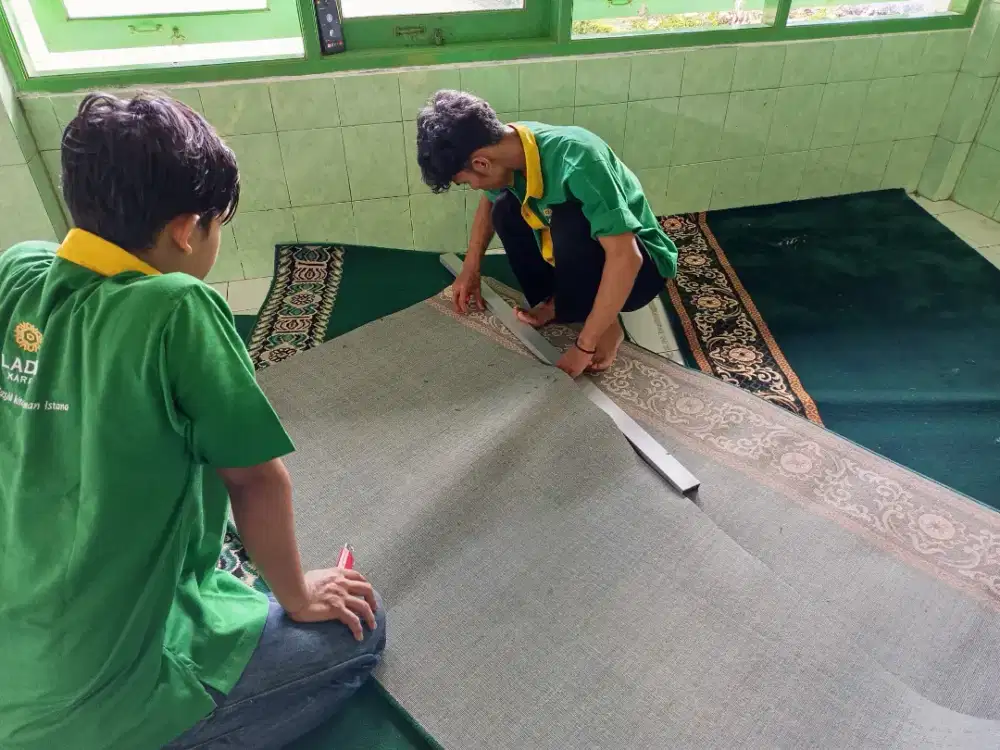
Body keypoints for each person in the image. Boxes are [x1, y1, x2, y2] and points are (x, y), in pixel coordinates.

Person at [0, 93, 385, 750]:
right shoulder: (176, 309)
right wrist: (297, 594)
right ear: (186, 229)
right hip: (102, 698)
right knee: (360, 633)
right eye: (217, 224)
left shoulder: (17, 269)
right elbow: (255, 480)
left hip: (17, 659)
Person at [416, 90, 678, 377]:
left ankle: (607, 325)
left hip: (643, 271)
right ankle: (557, 302)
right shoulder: (506, 145)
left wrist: (585, 345)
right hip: (588, 256)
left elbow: (627, 257)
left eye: (466, 182)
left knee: (569, 217)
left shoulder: (579, 159)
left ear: (481, 163)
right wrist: (471, 268)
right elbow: (488, 203)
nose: (475, 187)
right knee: (503, 207)